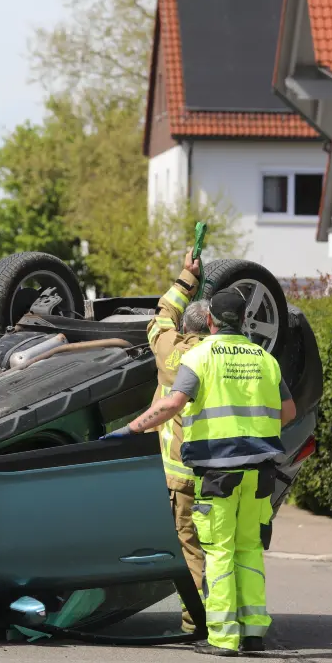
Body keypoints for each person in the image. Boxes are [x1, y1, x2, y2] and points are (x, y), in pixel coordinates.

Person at [108, 288, 296, 657]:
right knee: (249, 550)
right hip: (259, 473)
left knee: (220, 552)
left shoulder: (200, 356)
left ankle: (223, 639)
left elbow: (173, 403)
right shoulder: (265, 359)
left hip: (218, 474)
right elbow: (287, 412)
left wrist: (130, 430)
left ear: (210, 319)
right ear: (244, 320)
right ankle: (254, 633)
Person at [142, 250, 210, 635]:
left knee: (191, 550)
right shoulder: (218, 358)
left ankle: (195, 621)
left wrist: (188, 275)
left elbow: (161, 316)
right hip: (224, 471)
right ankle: (226, 615)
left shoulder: (171, 352)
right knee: (222, 548)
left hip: (180, 476)